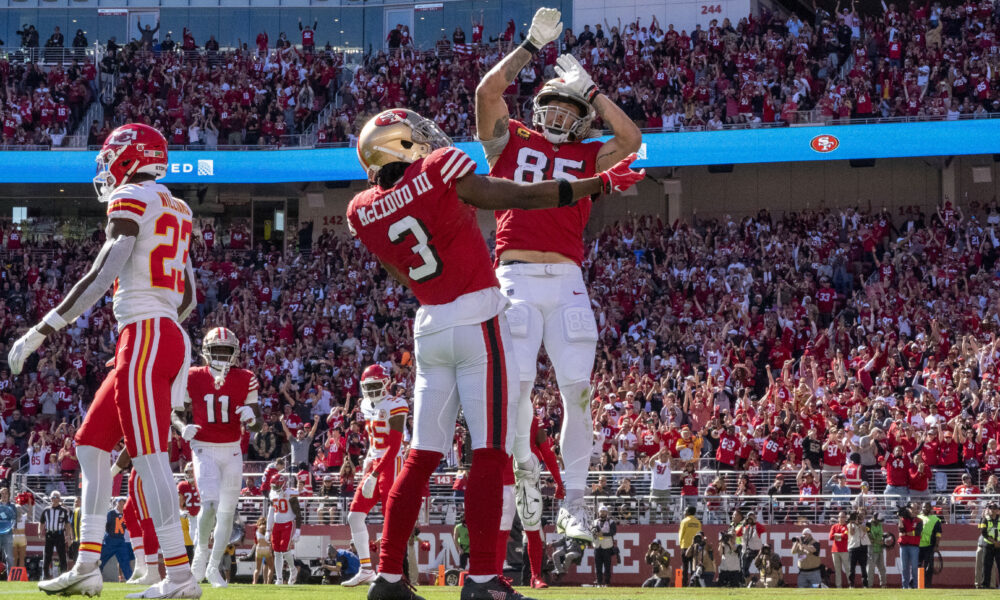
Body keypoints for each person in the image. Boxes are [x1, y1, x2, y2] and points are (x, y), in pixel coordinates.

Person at [346, 108, 642, 600]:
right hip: (478, 318)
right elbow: (521, 198)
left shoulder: (360, 209)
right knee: (489, 451)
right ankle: (483, 578)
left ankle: (388, 576)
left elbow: (400, 270)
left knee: (421, 456)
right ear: (401, 146)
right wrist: (598, 184)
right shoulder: (437, 168)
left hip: (430, 325)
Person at [475, 6, 642, 545]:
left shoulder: (591, 154)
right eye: (550, 105)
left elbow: (631, 137)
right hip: (516, 277)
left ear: (584, 119)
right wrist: (529, 47)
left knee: (579, 394)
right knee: (517, 390)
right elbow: (486, 93)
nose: (557, 115)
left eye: (569, 109)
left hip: (568, 280)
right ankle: (525, 467)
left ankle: (574, 503)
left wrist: (592, 91)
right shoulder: (509, 140)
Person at [10, 123, 199, 599]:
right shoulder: (178, 206)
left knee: (149, 458)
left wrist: (41, 330)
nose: (106, 167)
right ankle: (87, 565)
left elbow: (102, 274)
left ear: (129, 158)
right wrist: (160, 323)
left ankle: (180, 577)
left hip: (145, 336)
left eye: (110, 156)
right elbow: (190, 297)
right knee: (91, 446)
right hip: (157, 334)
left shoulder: (132, 196)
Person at [175, 326, 262, 588]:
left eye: (227, 350)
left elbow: (258, 423)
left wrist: (252, 417)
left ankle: (213, 567)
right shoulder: (193, 375)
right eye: (217, 350)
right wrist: (182, 428)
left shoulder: (246, 378)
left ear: (234, 352)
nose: (222, 355)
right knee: (210, 505)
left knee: (226, 514)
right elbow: (174, 411)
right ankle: (199, 558)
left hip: (232, 449)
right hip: (203, 447)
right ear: (207, 351)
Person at [342, 364, 408, 587]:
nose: (371, 391)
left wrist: (376, 472)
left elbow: (395, 445)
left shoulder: (396, 404)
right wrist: (368, 462)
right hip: (375, 463)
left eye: (375, 386)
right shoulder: (365, 404)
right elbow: (373, 441)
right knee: (354, 516)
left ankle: (391, 571)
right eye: (367, 387)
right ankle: (366, 570)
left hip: (392, 462)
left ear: (386, 383)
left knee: (391, 519)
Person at [265, 474, 301, 585]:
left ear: (283, 484)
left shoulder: (290, 493)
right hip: (277, 524)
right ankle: (279, 579)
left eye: (277, 485)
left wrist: (298, 530)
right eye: (273, 485)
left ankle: (293, 569)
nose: (275, 488)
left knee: (285, 549)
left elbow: (298, 513)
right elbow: (271, 512)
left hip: (288, 523)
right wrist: (268, 529)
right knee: (276, 552)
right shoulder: (272, 494)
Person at [100, 497, 133, 581]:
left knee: (125, 561)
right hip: (110, 540)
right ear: (116, 503)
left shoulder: (126, 514)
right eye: (120, 502)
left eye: (123, 503)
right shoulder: (111, 513)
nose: (122, 504)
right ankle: (95, 577)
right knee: (101, 560)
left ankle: (130, 579)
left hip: (121, 541)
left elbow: (128, 526)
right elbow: (105, 526)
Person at [40, 491, 71, 579]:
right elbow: (42, 522)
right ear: (50, 498)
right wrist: (40, 532)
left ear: (60, 499)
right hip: (49, 534)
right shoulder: (46, 510)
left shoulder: (64, 510)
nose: (55, 499)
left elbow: (67, 524)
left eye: (57, 497)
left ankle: (63, 576)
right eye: (53, 497)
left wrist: (68, 535)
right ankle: (46, 577)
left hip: (59, 534)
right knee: (47, 556)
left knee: (62, 556)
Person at [898, 504, 922, 589]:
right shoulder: (903, 519)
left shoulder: (919, 520)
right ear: (909, 509)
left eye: (916, 508)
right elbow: (901, 530)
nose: (915, 510)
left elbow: (917, 532)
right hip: (904, 546)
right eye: (913, 508)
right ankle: (905, 587)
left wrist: (905, 533)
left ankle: (915, 586)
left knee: (914, 567)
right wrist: (899, 518)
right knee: (904, 567)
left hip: (914, 546)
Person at [918, 501, 942, 588]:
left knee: (929, 567)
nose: (925, 508)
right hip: (917, 546)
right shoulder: (917, 518)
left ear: (931, 508)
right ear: (921, 508)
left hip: (930, 547)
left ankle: (927, 585)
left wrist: (936, 545)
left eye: (927, 507)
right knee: (916, 566)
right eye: (924, 507)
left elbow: (938, 534)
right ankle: (916, 585)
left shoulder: (935, 519)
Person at [591, 505, 616, 586]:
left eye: (604, 512)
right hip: (597, 546)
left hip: (607, 547)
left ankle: (607, 583)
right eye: (601, 512)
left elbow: (613, 532)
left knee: (607, 567)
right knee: (598, 567)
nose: (602, 513)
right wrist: (595, 533)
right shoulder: (594, 522)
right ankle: (599, 582)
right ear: (598, 513)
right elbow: (591, 532)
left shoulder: (611, 522)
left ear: (607, 513)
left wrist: (603, 534)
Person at [678, 505, 702, 585]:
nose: (684, 512)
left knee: (685, 566)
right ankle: (693, 583)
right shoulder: (698, 522)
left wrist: (681, 545)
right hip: (695, 547)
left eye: (685, 510)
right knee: (693, 566)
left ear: (688, 512)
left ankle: (684, 584)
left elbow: (681, 534)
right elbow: (699, 535)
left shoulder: (684, 521)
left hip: (685, 546)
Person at [979, 502, 1000, 589]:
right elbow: (983, 532)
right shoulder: (985, 519)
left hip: (999, 546)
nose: (992, 510)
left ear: (998, 510)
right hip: (988, 545)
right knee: (986, 566)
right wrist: (994, 542)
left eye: (994, 508)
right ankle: (985, 586)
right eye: (990, 508)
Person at [847, 511, 870, 587]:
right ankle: (851, 584)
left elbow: (865, 530)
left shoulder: (866, 524)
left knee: (863, 567)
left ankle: (865, 584)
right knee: (852, 567)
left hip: (863, 547)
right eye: (857, 517)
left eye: (859, 517)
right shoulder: (850, 525)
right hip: (853, 547)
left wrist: (859, 523)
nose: (858, 518)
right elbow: (851, 533)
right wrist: (851, 522)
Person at [866, 513, 888, 588]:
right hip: (871, 549)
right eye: (878, 521)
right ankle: (869, 585)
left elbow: (880, 534)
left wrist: (885, 536)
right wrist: (878, 542)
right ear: (874, 518)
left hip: (879, 549)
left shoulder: (879, 524)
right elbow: (869, 537)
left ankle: (883, 585)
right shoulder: (868, 524)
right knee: (870, 569)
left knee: (882, 568)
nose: (879, 522)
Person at [828, 511, 849, 587]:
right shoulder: (834, 526)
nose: (841, 518)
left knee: (848, 569)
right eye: (840, 517)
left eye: (843, 517)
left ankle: (851, 585)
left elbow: (846, 536)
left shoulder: (847, 526)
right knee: (837, 570)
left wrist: (837, 535)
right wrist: (841, 535)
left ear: (845, 518)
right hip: (835, 551)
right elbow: (830, 537)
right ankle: (838, 586)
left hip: (845, 551)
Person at [0, 488, 15, 568]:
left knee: (9, 557)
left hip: (8, 534)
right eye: (2, 493)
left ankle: (10, 575)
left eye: (6, 493)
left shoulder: (12, 506)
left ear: (9, 494)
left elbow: (14, 519)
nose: (4, 495)